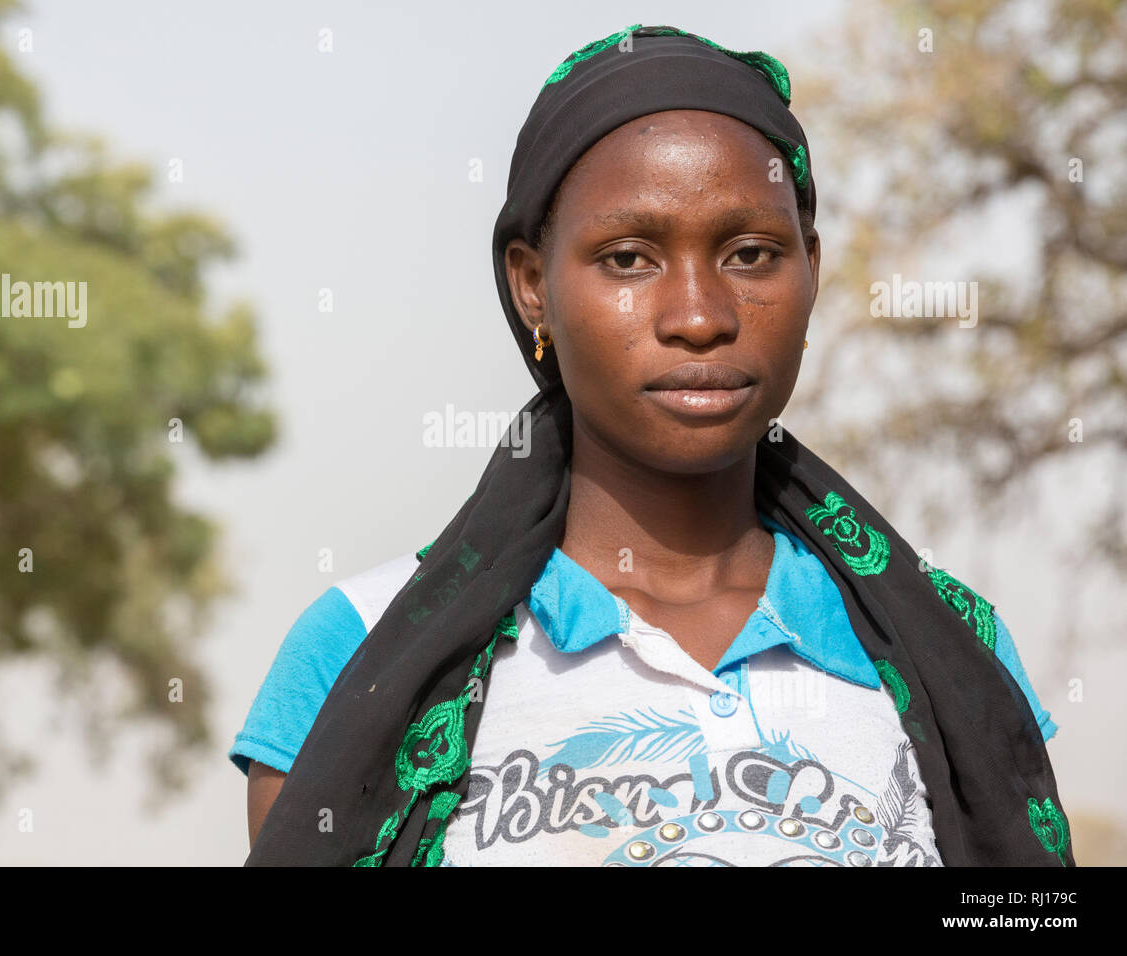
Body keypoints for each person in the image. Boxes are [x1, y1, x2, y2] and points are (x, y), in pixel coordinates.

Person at [232, 24, 1072, 867]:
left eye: (751, 253)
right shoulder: (361, 649)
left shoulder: (952, 651)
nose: (700, 317)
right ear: (533, 287)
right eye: (629, 259)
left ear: (810, 270)